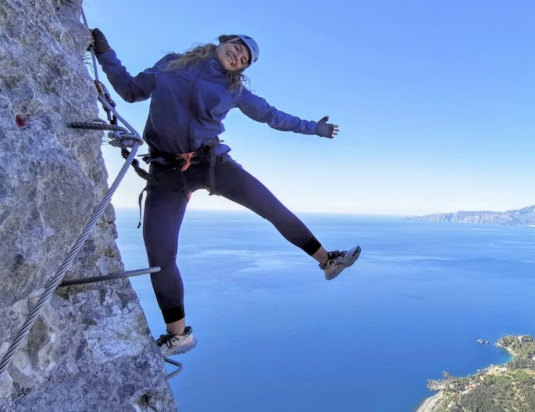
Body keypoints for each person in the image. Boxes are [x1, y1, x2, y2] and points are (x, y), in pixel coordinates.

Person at [90, 29, 361, 356]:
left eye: (244, 60)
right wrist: (105, 53)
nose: (238, 57)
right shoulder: (172, 64)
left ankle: (327, 261)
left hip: (211, 163)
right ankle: (179, 335)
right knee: (160, 256)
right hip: (167, 172)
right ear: (223, 42)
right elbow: (131, 90)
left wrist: (314, 128)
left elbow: (272, 116)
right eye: (237, 49)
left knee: (271, 207)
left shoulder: (234, 90)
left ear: (241, 69)